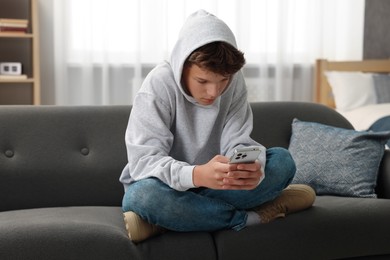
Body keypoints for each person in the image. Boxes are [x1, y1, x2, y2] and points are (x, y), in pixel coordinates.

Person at [120, 9, 315, 243]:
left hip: (219, 185)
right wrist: (197, 174)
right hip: (166, 189)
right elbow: (143, 162)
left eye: (223, 81)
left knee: (283, 161)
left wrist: (253, 168)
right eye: (202, 81)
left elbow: (238, 142)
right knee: (142, 197)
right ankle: (248, 217)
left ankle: (169, 222)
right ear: (183, 66)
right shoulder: (158, 84)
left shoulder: (233, 80)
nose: (214, 92)